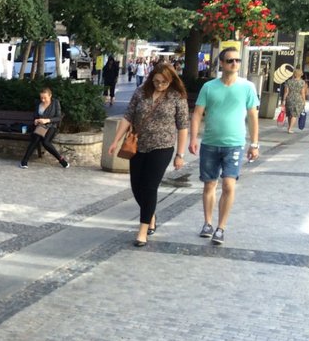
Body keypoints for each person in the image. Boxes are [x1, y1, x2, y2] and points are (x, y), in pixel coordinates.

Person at [108, 63, 189, 247]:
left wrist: (180, 154)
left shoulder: (177, 97)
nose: (159, 85)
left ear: (171, 81)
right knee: (137, 186)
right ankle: (150, 213)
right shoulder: (140, 92)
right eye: (156, 81)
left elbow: (183, 126)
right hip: (138, 145)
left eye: (164, 82)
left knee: (150, 186)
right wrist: (115, 140)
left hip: (162, 146)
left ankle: (143, 230)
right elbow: (128, 116)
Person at [188, 46, 260, 245]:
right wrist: (193, 139)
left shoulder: (247, 87)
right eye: (230, 61)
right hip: (210, 143)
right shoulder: (209, 87)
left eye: (237, 60)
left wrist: (254, 144)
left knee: (229, 185)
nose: (234, 64)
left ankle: (221, 227)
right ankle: (207, 223)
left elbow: (253, 116)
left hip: (235, 144)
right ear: (221, 63)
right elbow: (197, 114)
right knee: (209, 184)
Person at [19, 87, 69, 169]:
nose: (43, 100)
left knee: (46, 143)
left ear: (50, 96)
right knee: (36, 139)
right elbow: (35, 116)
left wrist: (47, 120)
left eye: (45, 98)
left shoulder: (55, 103)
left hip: (51, 126)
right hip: (40, 126)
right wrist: (36, 120)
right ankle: (24, 161)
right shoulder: (38, 103)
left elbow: (59, 117)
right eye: (41, 97)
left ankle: (61, 160)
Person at [281, 68, 307, 135]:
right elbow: (303, 93)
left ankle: (289, 127)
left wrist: (283, 100)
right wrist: (304, 101)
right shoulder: (302, 82)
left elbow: (286, 92)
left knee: (290, 114)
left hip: (289, 99)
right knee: (294, 115)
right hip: (298, 99)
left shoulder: (289, 82)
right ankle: (290, 128)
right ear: (301, 74)